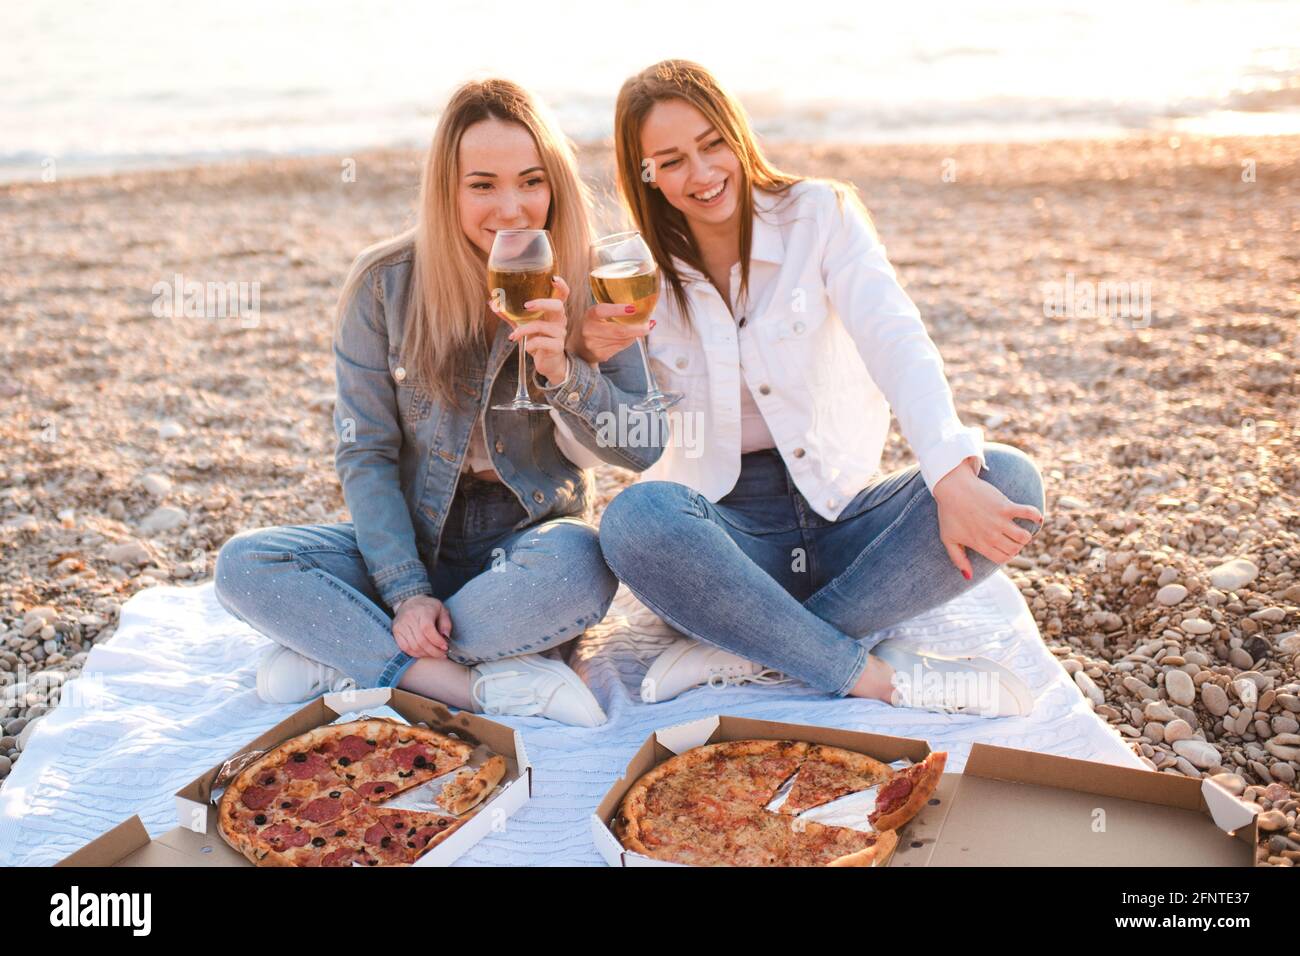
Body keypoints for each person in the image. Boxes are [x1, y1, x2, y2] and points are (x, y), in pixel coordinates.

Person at [585, 61, 1048, 717]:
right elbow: (627, 438)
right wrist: (590, 363)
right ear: (647, 174)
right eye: (673, 159)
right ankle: (865, 673)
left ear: (738, 135)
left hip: (840, 519)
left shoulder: (819, 214)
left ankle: (751, 649)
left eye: (713, 143)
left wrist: (949, 477)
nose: (703, 172)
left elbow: (895, 337)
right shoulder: (634, 273)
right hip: (727, 544)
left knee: (1009, 482)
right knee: (636, 520)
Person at [214, 79, 663, 726]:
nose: (511, 208)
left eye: (530, 181)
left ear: (555, 185)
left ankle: (348, 654)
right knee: (246, 565)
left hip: (525, 544)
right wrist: (406, 592)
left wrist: (565, 371)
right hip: (415, 536)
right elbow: (366, 453)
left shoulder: (593, 279)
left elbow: (643, 445)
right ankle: (461, 684)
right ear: (446, 190)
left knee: (583, 565)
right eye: (482, 184)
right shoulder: (382, 285)